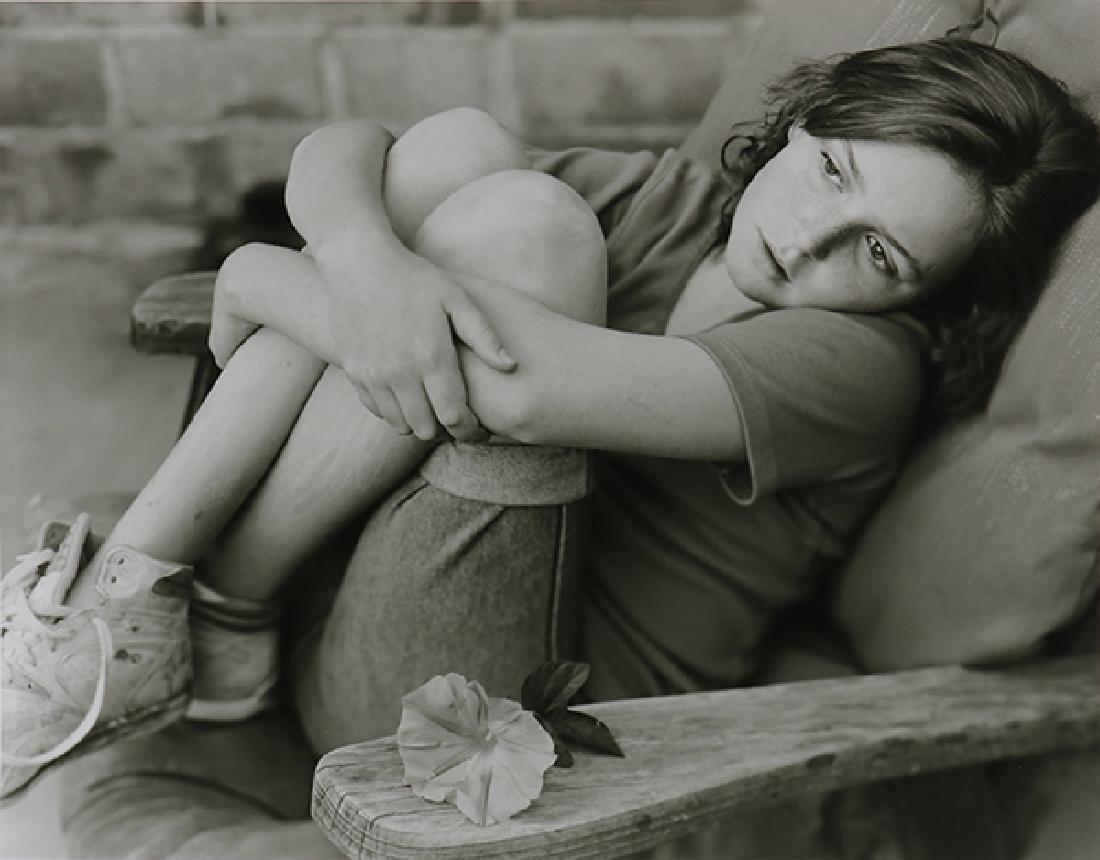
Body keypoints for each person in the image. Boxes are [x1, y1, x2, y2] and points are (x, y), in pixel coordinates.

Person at [3, 38, 1098, 802]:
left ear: (929, 298)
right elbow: (346, 146)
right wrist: (358, 256)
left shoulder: (863, 369)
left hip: (481, 717)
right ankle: (151, 600)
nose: (810, 237)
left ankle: (190, 597)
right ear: (804, 120)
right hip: (356, 573)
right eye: (830, 171)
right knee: (460, 149)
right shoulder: (670, 209)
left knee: (522, 232)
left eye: (878, 253)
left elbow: (505, 389)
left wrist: (263, 273)